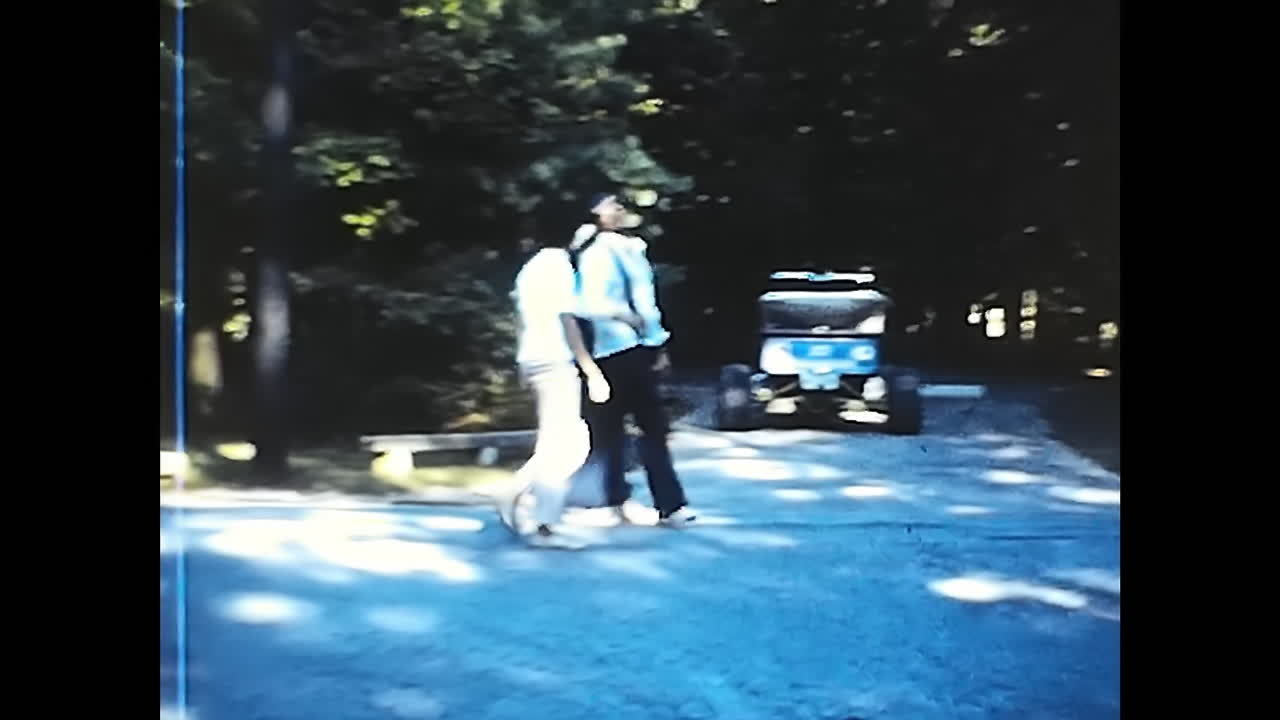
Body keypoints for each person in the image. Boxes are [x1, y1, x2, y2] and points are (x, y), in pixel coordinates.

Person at [569, 193, 697, 527]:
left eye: (620, 205)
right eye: (611, 205)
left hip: (641, 349)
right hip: (612, 351)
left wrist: (658, 344)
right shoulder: (594, 253)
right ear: (594, 213)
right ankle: (615, 499)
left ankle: (668, 504)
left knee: (652, 427)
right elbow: (587, 304)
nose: (619, 210)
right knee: (612, 429)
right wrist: (625, 317)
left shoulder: (633, 250)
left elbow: (648, 302)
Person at [499, 237, 613, 548]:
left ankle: (519, 491)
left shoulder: (530, 268)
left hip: (535, 358)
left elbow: (521, 319)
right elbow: (567, 319)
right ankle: (543, 525)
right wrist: (590, 369)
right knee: (562, 445)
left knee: (570, 440)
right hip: (555, 360)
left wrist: (521, 361)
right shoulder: (558, 265)